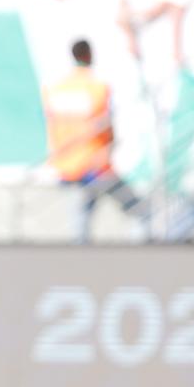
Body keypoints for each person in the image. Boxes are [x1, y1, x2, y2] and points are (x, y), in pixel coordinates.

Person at [43, 39, 143, 243]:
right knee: (137, 210)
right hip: (96, 162)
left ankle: (80, 263)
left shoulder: (56, 89)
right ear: (89, 55)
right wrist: (110, 147)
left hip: (69, 164)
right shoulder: (97, 88)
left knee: (81, 219)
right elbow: (106, 123)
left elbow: (53, 124)